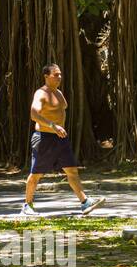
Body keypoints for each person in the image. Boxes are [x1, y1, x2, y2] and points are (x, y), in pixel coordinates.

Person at [21, 64, 104, 216]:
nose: (59, 77)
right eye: (55, 75)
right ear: (46, 76)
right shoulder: (41, 93)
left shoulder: (58, 93)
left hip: (60, 138)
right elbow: (34, 114)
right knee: (36, 174)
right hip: (44, 138)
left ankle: (85, 202)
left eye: (60, 74)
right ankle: (27, 205)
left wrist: (58, 129)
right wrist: (53, 126)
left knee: (72, 170)